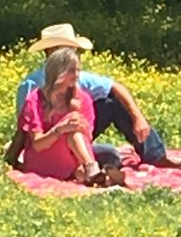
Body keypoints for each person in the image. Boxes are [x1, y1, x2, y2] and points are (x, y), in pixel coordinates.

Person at [5, 23, 181, 171]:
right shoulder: (32, 86)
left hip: (74, 137)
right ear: (52, 53)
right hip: (47, 143)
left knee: (112, 104)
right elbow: (26, 129)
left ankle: (154, 156)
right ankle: (89, 166)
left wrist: (138, 118)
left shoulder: (78, 78)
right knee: (109, 153)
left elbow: (115, 86)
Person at [18, 47, 112, 184]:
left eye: (78, 70)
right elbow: (38, 144)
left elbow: (88, 138)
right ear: (58, 72)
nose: (77, 75)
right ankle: (92, 170)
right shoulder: (35, 99)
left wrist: (81, 124)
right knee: (72, 132)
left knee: (104, 152)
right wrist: (60, 129)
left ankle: (91, 171)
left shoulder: (83, 99)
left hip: (74, 159)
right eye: (72, 71)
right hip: (44, 160)